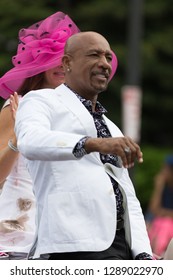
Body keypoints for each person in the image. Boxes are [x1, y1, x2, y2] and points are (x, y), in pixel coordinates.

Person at [15, 31, 153, 260]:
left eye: (108, 57)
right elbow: (30, 141)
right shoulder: (40, 101)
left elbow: (127, 193)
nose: (104, 64)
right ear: (67, 62)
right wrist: (92, 144)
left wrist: (142, 252)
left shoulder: (110, 126)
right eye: (94, 55)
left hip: (120, 247)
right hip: (72, 243)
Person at [0, 11, 80, 259]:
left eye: (66, 60)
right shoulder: (18, 105)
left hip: (63, 236)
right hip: (18, 236)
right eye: (54, 60)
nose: (61, 66)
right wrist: (18, 142)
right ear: (39, 65)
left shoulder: (77, 110)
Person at [147, 154, 173, 257]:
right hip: (159, 224)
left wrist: (163, 213)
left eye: (166, 169)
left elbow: (158, 212)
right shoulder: (165, 189)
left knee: (164, 225)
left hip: (167, 228)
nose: (163, 172)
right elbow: (153, 210)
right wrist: (158, 188)